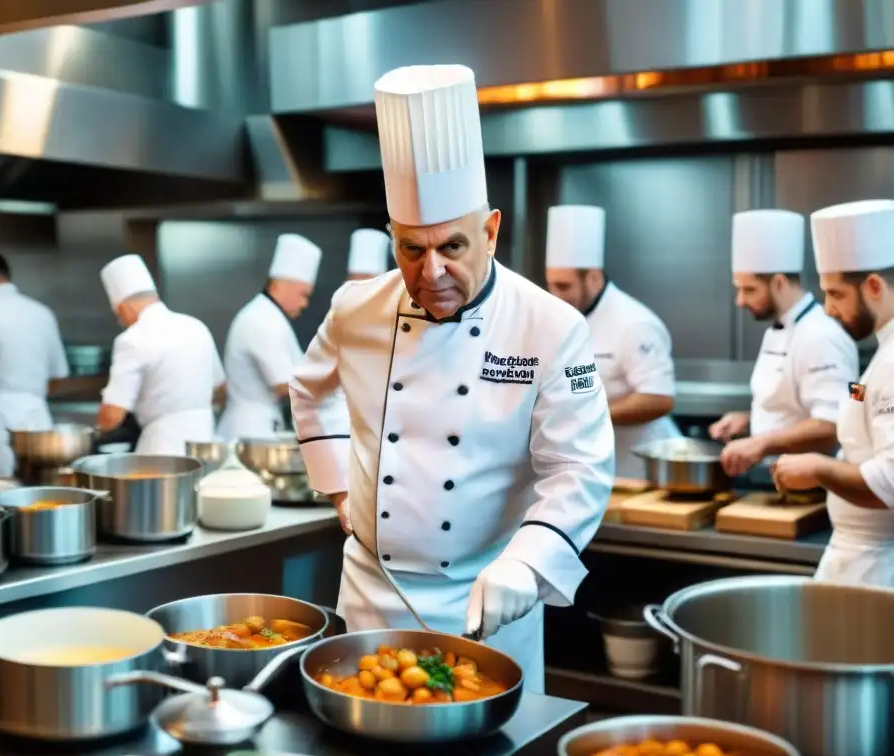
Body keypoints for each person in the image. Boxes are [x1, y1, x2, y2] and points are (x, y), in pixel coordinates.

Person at [289, 64, 615, 695]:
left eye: (453, 247)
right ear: (392, 238)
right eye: (412, 249)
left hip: (490, 602)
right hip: (370, 594)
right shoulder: (355, 310)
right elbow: (310, 390)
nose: (432, 270)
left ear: (491, 232)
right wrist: (338, 492)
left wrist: (529, 562)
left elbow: (579, 468)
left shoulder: (550, 327)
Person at [773, 199, 894, 587]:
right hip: (859, 562)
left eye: (836, 294)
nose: (827, 309)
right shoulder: (886, 349)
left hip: (878, 568)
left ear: (874, 286)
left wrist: (818, 467)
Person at [712, 210, 858, 477]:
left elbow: (832, 424)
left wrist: (761, 442)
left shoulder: (821, 336)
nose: (740, 301)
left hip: (809, 488)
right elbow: (790, 408)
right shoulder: (778, 329)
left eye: (749, 289)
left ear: (778, 282)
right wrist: (749, 421)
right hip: (775, 479)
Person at [544, 205, 680, 478]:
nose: (554, 296)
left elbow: (659, 398)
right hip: (587, 466)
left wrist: (588, 415)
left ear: (593, 277)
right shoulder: (560, 318)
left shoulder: (634, 324)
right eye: (551, 285)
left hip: (639, 470)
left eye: (564, 286)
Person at [98, 254, 225, 455]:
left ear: (125, 307)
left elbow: (112, 415)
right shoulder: (196, 327)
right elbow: (219, 389)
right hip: (206, 442)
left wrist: (96, 431)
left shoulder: (132, 339)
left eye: (119, 316)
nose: (122, 321)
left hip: (163, 448)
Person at [0, 251, 69, 478]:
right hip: (38, 414)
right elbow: (59, 374)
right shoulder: (43, 313)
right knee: (40, 487)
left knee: (0, 488)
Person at [216, 234, 322, 439]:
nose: (304, 304)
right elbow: (286, 385)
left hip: (261, 426)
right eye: (303, 295)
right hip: (249, 431)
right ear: (278, 287)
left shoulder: (271, 317)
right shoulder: (262, 319)